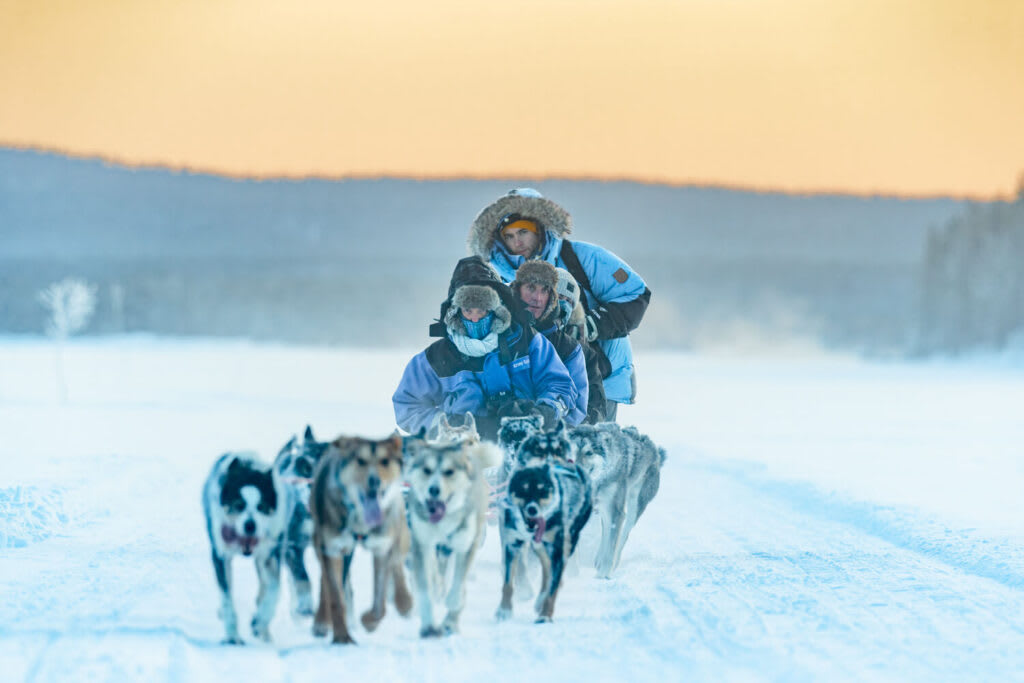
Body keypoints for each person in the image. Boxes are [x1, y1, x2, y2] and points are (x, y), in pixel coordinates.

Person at [467, 188, 651, 421]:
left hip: (602, 376)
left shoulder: (583, 258)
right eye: (509, 236)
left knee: (590, 448)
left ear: (542, 226)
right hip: (537, 384)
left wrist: (591, 325)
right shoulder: (502, 275)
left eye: (524, 231)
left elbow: (635, 294)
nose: (517, 241)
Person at [393, 256, 580, 441]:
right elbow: (407, 406)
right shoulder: (437, 357)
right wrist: (447, 425)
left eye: (482, 310)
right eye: (468, 310)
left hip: (527, 446)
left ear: (496, 309)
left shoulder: (527, 341)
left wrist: (543, 412)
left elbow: (561, 385)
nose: (475, 319)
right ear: (456, 312)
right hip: (465, 455)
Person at [511, 260, 608, 424]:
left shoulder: (576, 350)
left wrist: (583, 423)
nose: (563, 304)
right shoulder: (512, 334)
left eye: (568, 301)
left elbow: (593, 400)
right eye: (559, 297)